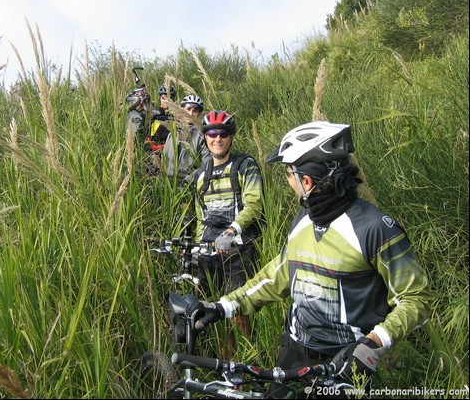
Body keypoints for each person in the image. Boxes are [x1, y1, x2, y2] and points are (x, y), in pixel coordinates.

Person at [186, 121, 430, 394]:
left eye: (289, 174)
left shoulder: (374, 228)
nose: (287, 181)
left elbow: (415, 298)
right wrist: (222, 307)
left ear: (306, 181)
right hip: (293, 353)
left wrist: (374, 342)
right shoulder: (304, 219)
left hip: (347, 363)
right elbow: (278, 275)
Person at [191, 110, 265, 356]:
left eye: (223, 133)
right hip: (209, 253)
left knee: (238, 311)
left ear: (231, 137)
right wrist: (195, 250)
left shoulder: (245, 165)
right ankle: (219, 363)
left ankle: (249, 362)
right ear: (205, 138)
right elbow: (202, 218)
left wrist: (232, 230)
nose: (217, 138)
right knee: (204, 309)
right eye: (212, 133)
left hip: (238, 251)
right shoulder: (202, 175)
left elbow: (254, 204)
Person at [162, 94, 211, 185]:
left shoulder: (202, 136)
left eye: (195, 111)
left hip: (187, 185)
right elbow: (165, 159)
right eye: (188, 109)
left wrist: (188, 180)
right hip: (166, 183)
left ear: (199, 114)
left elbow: (207, 165)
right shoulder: (172, 133)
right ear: (182, 110)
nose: (190, 113)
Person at [145, 83, 177, 153]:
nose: (167, 101)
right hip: (154, 151)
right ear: (160, 98)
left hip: (173, 151)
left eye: (170, 98)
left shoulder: (177, 116)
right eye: (164, 97)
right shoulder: (153, 115)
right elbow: (146, 137)